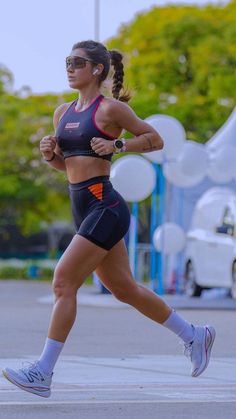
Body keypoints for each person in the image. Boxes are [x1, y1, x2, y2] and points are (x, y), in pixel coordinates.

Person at [2, 40, 215, 398]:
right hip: (83, 207)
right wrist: (49, 155)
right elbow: (67, 168)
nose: (69, 67)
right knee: (125, 289)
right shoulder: (62, 113)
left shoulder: (110, 110)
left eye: (77, 62)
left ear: (97, 69)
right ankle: (194, 335)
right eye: (67, 61)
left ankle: (43, 371)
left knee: (63, 281)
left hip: (105, 207)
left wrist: (119, 146)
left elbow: (155, 139)